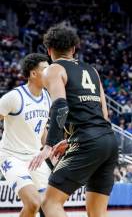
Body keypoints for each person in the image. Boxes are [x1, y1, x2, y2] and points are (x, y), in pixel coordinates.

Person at [29, 23, 118, 217]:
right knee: (97, 213)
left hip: (87, 141)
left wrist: (49, 144)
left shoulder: (53, 69)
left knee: (49, 204)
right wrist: (69, 140)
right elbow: (104, 115)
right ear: (73, 49)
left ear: (49, 50)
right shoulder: (92, 71)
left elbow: (60, 106)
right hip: (109, 141)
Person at [0, 53, 51, 217]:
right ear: (33, 73)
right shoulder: (14, 97)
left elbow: (42, 130)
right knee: (33, 202)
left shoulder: (47, 98)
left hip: (35, 157)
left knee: (49, 204)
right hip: (11, 157)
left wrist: (52, 148)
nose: (49, 72)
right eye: (45, 69)